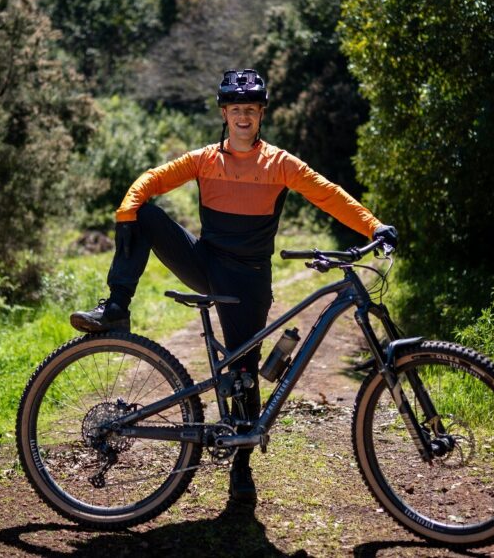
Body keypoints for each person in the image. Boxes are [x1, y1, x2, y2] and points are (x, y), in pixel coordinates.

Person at [70, 68, 397, 503]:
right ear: (225, 113)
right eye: (236, 109)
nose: (243, 116)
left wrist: (374, 226)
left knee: (244, 373)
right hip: (207, 264)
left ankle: (241, 467)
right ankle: (116, 306)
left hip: (250, 280)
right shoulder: (205, 159)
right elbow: (152, 179)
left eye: (251, 109)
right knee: (143, 214)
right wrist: (128, 207)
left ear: (261, 114)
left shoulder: (280, 164)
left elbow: (329, 194)